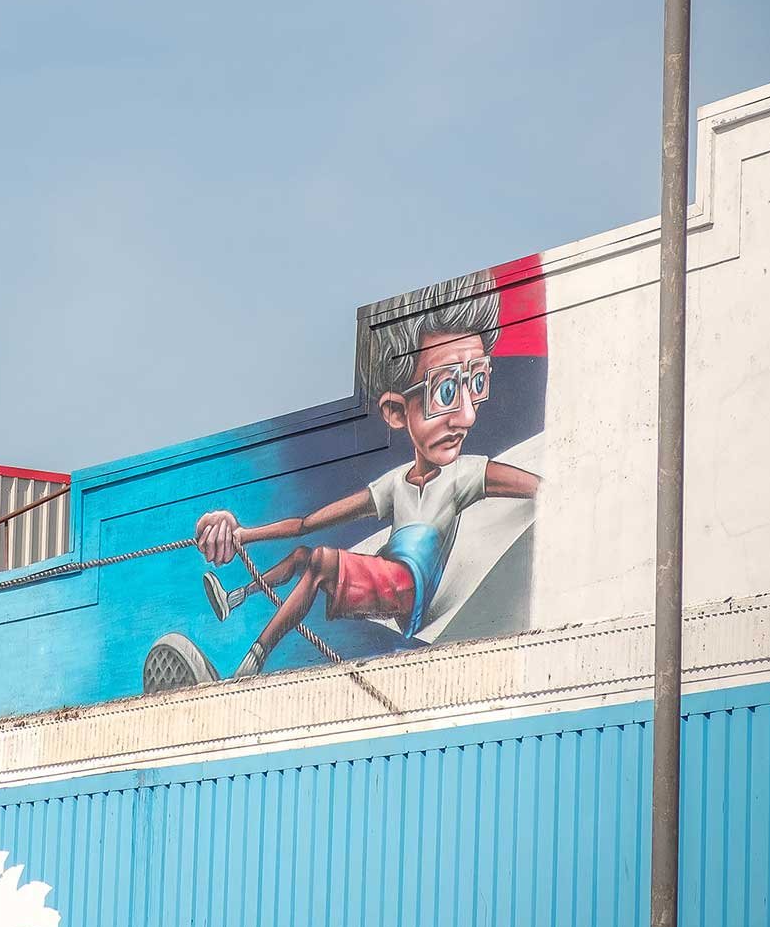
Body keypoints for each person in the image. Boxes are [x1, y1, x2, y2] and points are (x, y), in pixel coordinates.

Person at [196, 273, 539, 676]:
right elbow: (308, 523)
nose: (467, 415)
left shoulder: (463, 475)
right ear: (395, 412)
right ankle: (237, 597)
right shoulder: (394, 484)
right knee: (307, 555)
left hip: (407, 587)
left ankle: (250, 663)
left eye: (477, 382)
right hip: (386, 576)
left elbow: (544, 487)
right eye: (446, 391)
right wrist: (245, 535)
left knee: (321, 562)